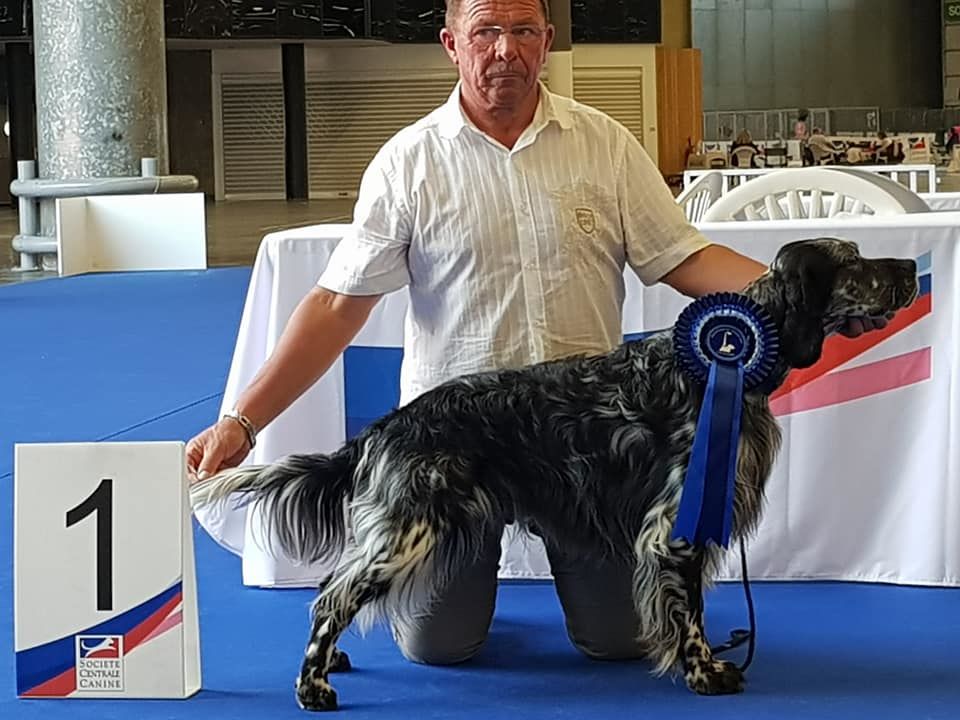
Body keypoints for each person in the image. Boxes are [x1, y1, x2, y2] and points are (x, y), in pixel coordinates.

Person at [187, 0, 887, 665]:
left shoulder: (604, 144)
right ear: (451, 44)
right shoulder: (409, 162)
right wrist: (242, 422)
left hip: (588, 439)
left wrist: (801, 301)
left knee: (625, 642)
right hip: (459, 442)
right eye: (486, 31)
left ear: (547, 42)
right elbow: (336, 306)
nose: (505, 50)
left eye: (524, 30)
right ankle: (416, 573)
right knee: (441, 649)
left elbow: (687, 259)